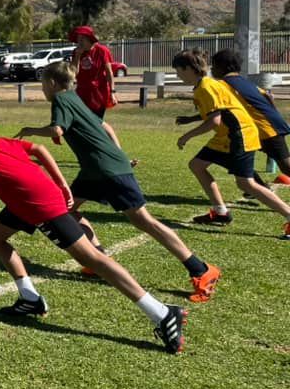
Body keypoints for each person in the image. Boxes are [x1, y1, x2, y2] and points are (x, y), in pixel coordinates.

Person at [0, 100, 187, 354]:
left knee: (94, 259)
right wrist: (63, 182)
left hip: (37, 204)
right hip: (28, 199)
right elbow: (39, 149)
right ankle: (30, 298)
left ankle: (162, 313)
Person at [15, 62, 221, 302]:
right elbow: (105, 125)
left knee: (145, 221)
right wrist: (119, 152)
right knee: (65, 209)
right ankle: (98, 260)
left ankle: (202, 269)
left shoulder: (62, 99)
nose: (42, 89)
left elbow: (57, 130)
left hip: (107, 170)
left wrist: (30, 130)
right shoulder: (74, 97)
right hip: (95, 170)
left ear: (51, 83)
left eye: (42, 84)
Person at [173, 48, 290, 238]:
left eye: (178, 71)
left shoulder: (206, 87)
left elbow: (214, 121)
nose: (177, 75)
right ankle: (221, 212)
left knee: (246, 184)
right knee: (197, 165)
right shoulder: (207, 84)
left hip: (240, 134)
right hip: (226, 137)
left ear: (188, 69)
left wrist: (186, 136)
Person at [210, 49, 290, 188]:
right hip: (264, 126)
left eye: (213, 65)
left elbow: (218, 109)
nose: (211, 69)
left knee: (286, 166)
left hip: (265, 129)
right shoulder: (243, 81)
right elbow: (268, 97)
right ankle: (257, 189)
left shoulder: (224, 85)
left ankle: (258, 189)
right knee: (234, 157)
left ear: (221, 67)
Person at [68, 26, 132, 159]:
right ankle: (102, 152)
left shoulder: (102, 51)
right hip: (82, 93)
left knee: (95, 123)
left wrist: (112, 92)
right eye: (78, 39)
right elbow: (74, 73)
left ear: (89, 39)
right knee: (86, 124)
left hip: (98, 94)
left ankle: (114, 153)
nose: (79, 42)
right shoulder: (76, 53)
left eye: (82, 39)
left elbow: (109, 73)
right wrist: (78, 56)